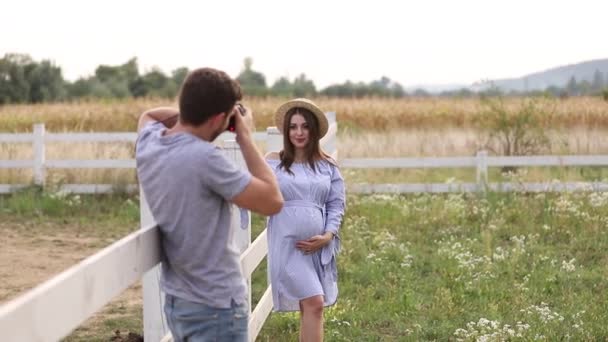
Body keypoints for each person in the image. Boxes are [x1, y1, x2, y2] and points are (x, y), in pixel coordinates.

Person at [135, 67, 283, 342]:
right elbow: (273, 201)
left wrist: (206, 111)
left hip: (179, 302)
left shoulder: (149, 143)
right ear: (219, 119)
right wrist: (244, 136)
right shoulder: (205, 159)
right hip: (216, 307)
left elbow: (150, 115)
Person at [265, 98, 346, 342]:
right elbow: (255, 188)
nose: (298, 133)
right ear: (286, 131)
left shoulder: (327, 166)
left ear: (313, 130)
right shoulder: (273, 162)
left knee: (310, 307)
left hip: (317, 248)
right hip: (288, 245)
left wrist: (328, 236)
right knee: (315, 303)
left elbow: (336, 204)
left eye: (304, 126)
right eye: (293, 127)